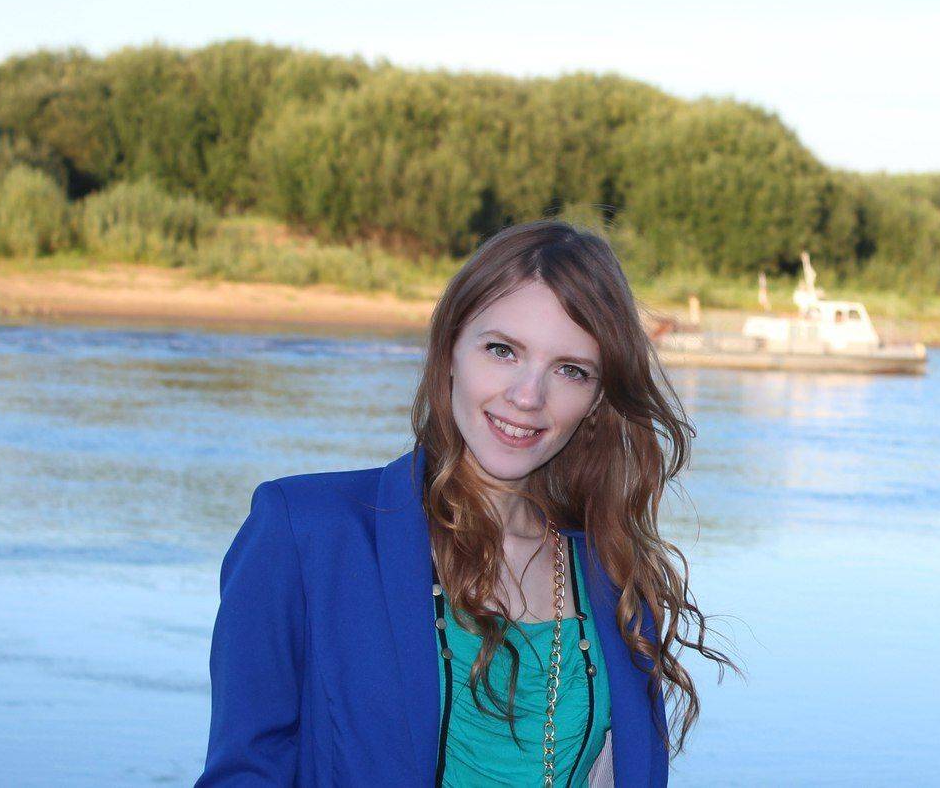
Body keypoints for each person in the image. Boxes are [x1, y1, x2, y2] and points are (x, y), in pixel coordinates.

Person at [196, 219, 736, 786]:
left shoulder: (614, 578)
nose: (527, 396)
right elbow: (244, 771)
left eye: (570, 370)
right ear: (450, 346)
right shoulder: (306, 531)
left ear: (598, 398)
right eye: (503, 350)